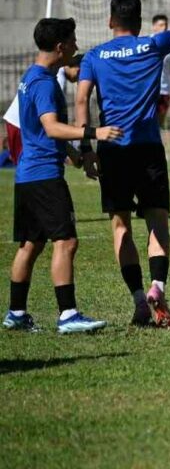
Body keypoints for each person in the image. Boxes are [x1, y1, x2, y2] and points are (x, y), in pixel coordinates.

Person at [76, 0, 170, 328]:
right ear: (140, 21)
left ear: (110, 21)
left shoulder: (95, 56)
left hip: (112, 148)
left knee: (121, 226)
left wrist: (87, 147)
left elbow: (81, 99)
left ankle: (138, 300)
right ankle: (157, 286)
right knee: (157, 220)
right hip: (148, 148)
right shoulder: (152, 45)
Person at [4, 18, 121, 334]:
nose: (75, 46)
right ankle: (68, 315)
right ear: (59, 47)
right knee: (66, 241)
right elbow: (52, 127)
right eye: (72, 41)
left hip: (28, 176)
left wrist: (74, 155)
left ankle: (16, 314)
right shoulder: (44, 83)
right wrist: (94, 133)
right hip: (44, 177)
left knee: (30, 244)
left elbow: (38, 131)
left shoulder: (31, 76)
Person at [151, 14, 170, 127]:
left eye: (166, 25)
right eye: (161, 25)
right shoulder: (148, 43)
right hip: (150, 89)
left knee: (160, 123)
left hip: (165, 89)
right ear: (154, 27)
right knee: (149, 121)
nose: (164, 28)